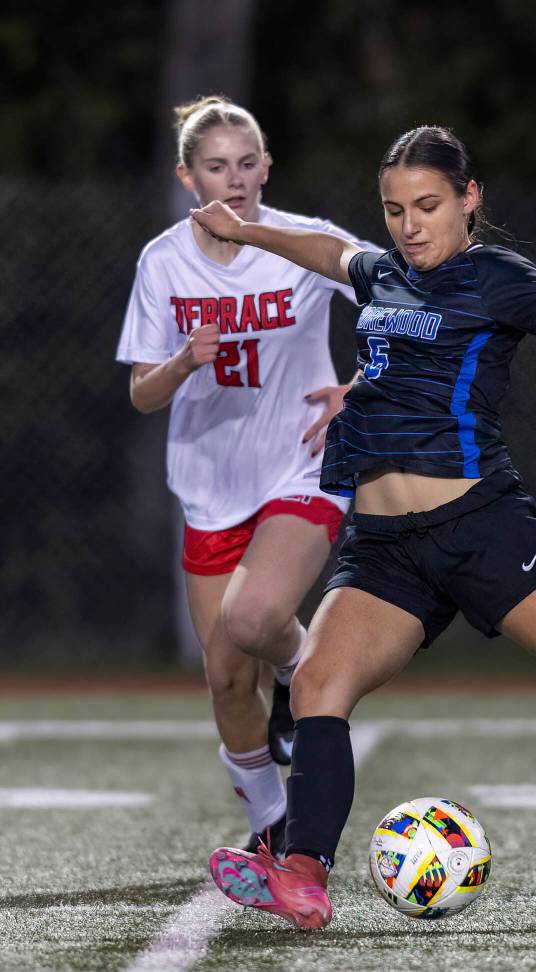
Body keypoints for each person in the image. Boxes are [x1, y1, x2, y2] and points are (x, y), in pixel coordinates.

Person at [191, 125, 536, 929]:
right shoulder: (382, 270)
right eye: (393, 209)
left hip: (478, 524)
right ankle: (302, 872)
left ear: (469, 199)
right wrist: (248, 231)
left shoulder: (496, 277)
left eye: (427, 205)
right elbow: (325, 253)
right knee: (319, 682)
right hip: (385, 551)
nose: (409, 225)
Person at [116, 96, 372, 855]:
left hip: (301, 463)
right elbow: (141, 394)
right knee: (227, 681)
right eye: (215, 166)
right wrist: (181, 361)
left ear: (267, 168)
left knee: (255, 617)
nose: (234, 179)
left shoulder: (307, 241)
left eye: (245, 163)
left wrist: (357, 387)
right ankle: (270, 827)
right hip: (209, 484)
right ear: (186, 177)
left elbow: (404, 305)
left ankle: (302, 673)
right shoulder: (164, 261)